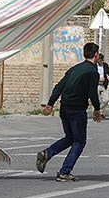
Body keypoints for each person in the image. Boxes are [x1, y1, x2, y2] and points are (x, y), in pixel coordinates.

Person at [35, 42, 103, 182]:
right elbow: (93, 94)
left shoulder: (74, 69)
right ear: (96, 54)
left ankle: (47, 153)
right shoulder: (92, 72)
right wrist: (97, 109)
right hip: (77, 110)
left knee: (70, 138)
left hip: (64, 108)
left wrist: (50, 104)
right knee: (79, 141)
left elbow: (59, 86)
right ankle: (64, 172)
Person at [96, 52, 109, 118]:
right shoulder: (94, 66)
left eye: (103, 60)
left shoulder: (105, 65)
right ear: (98, 60)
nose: (102, 61)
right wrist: (99, 79)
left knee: (106, 99)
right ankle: (99, 114)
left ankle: (98, 110)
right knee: (97, 100)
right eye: (101, 60)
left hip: (104, 85)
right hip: (96, 85)